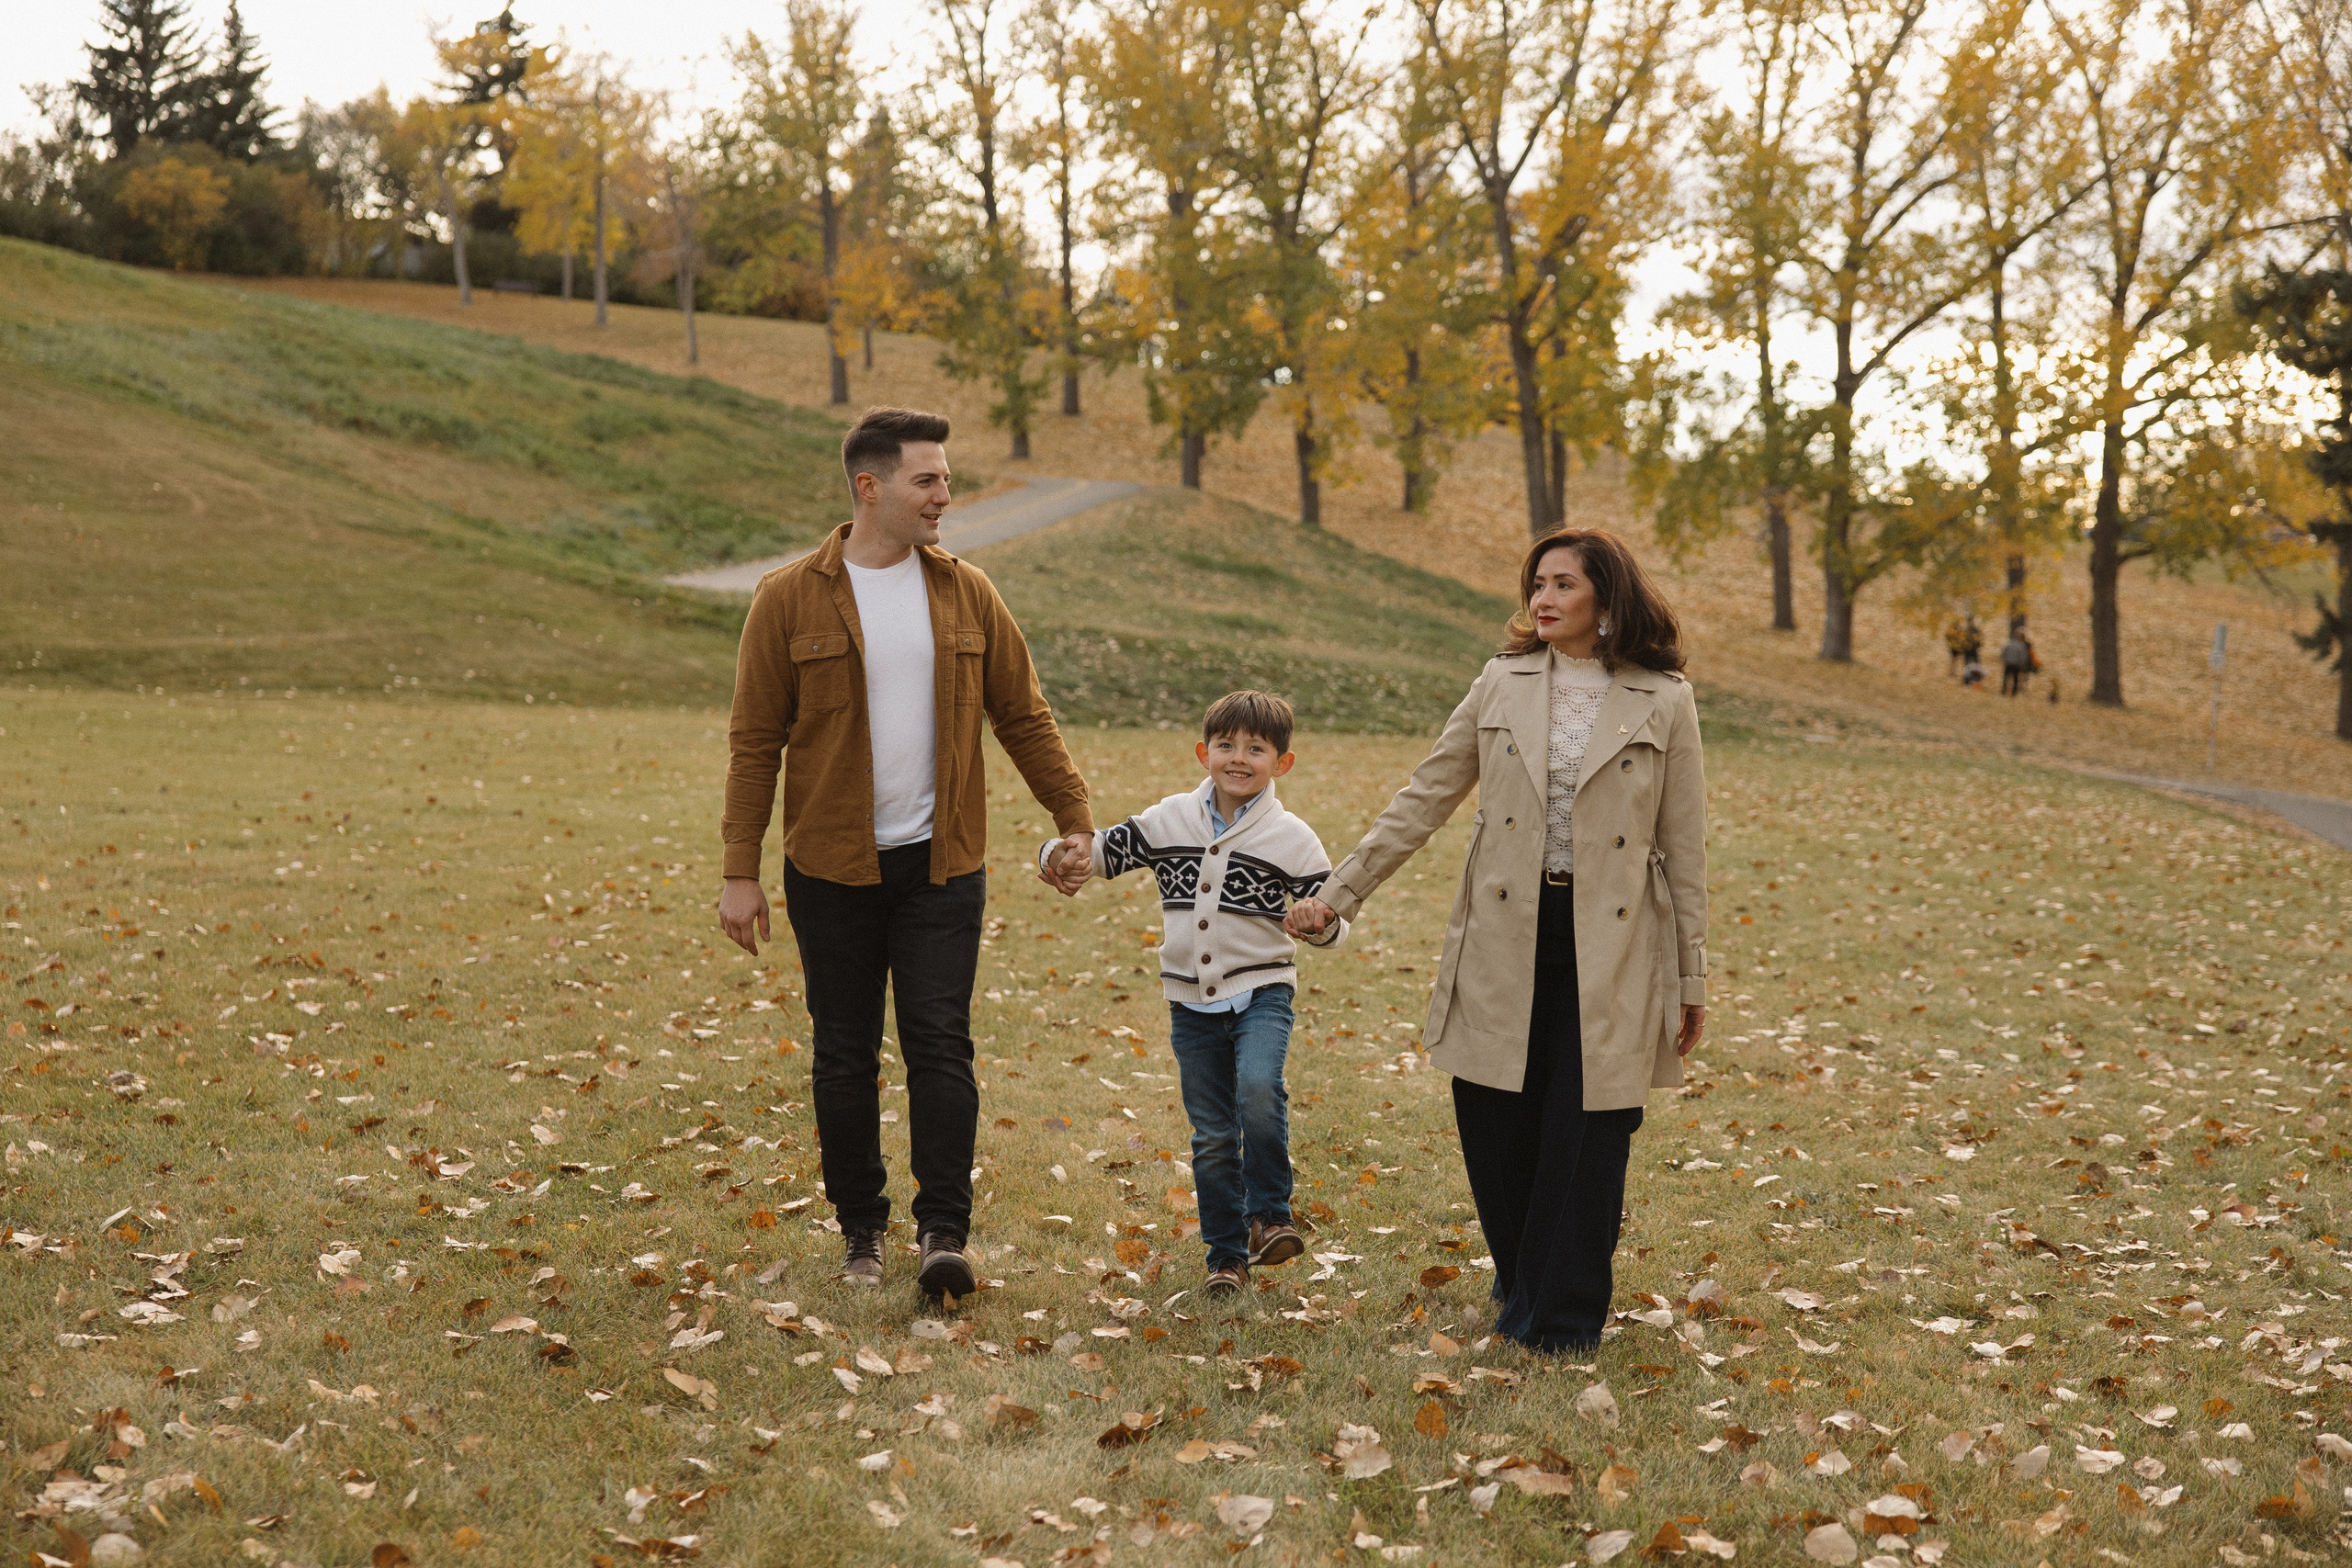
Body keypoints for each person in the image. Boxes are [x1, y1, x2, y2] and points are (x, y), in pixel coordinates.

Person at [1286, 529, 1709, 1353]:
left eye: (1563, 584)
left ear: (1607, 598)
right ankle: (1523, 1285)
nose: (1543, 599)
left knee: (1588, 1133)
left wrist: (1690, 976)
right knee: (1497, 1123)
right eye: (1537, 584)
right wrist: (1337, 896)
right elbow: (1425, 796)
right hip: (1505, 932)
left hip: (1615, 946)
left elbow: (1684, 847)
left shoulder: (1664, 698)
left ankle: (1560, 1322)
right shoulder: (1500, 683)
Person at [716, 406, 1096, 1299]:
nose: (944, 495)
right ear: (869, 487)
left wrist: (1073, 817)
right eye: (927, 480)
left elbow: (1023, 713)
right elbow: (752, 741)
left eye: (945, 478)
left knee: (940, 1045)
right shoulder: (786, 598)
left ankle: (942, 1233)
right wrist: (739, 873)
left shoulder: (968, 593)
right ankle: (860, 1232)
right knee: (844, 1054)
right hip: (828, 870)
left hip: (942, 864)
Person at [1048, 692, 1345, 1298]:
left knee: (1259, 1089)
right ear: (1203, 751)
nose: (1240, 758)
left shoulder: (1292, 838)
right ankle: (1227, 1257)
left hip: (1262, 989)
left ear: (1281, 763)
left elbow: (1331, 910)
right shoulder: (1170, 819)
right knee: (1211, 1132)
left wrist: (1319, 919)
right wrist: (1062, 852)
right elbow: (1105, 850)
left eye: (1256, 749)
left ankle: (1270, 1215)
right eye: (1227, 745)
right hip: (1191, 1002)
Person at [2000, 625, 2030, 697]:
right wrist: (2022, 665)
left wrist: (2004, 660)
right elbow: (2023, 657)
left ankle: (2003, 691)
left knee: (2006, 677)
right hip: (2016, 665)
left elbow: (2003, 653)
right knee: (2015, 679)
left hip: (2008, 663)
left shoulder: (2009, 643)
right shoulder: (2021, 645)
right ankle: (2013, 693)